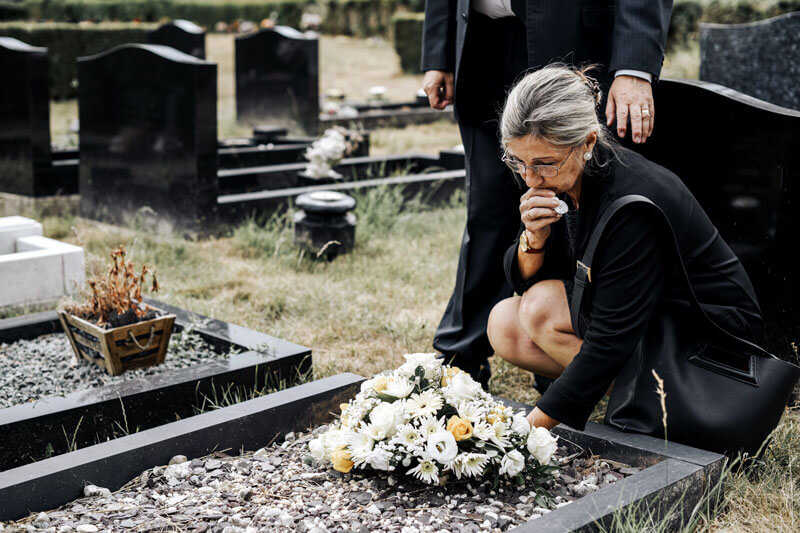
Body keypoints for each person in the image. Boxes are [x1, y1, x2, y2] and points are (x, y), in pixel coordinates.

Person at [485, 65, 764, 431]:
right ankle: (631, 393)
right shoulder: (559, 175)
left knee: (540, 308)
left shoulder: (633, 203)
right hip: (642, 318)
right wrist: (533, 240)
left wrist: (525, 432)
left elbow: (610, 337)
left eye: (544, 164)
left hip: (711, 343)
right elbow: (525, 280)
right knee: (506, 323)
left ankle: (660, 400)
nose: (530, 178)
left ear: (587, 142)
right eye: (518, 161)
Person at [421, 1, 673, 387]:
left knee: (573, 194)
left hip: (574, 34)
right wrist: (439, 50)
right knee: (486, 205)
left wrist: (634, 64)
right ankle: (462, 354)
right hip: (479, 39)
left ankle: (564, 352)